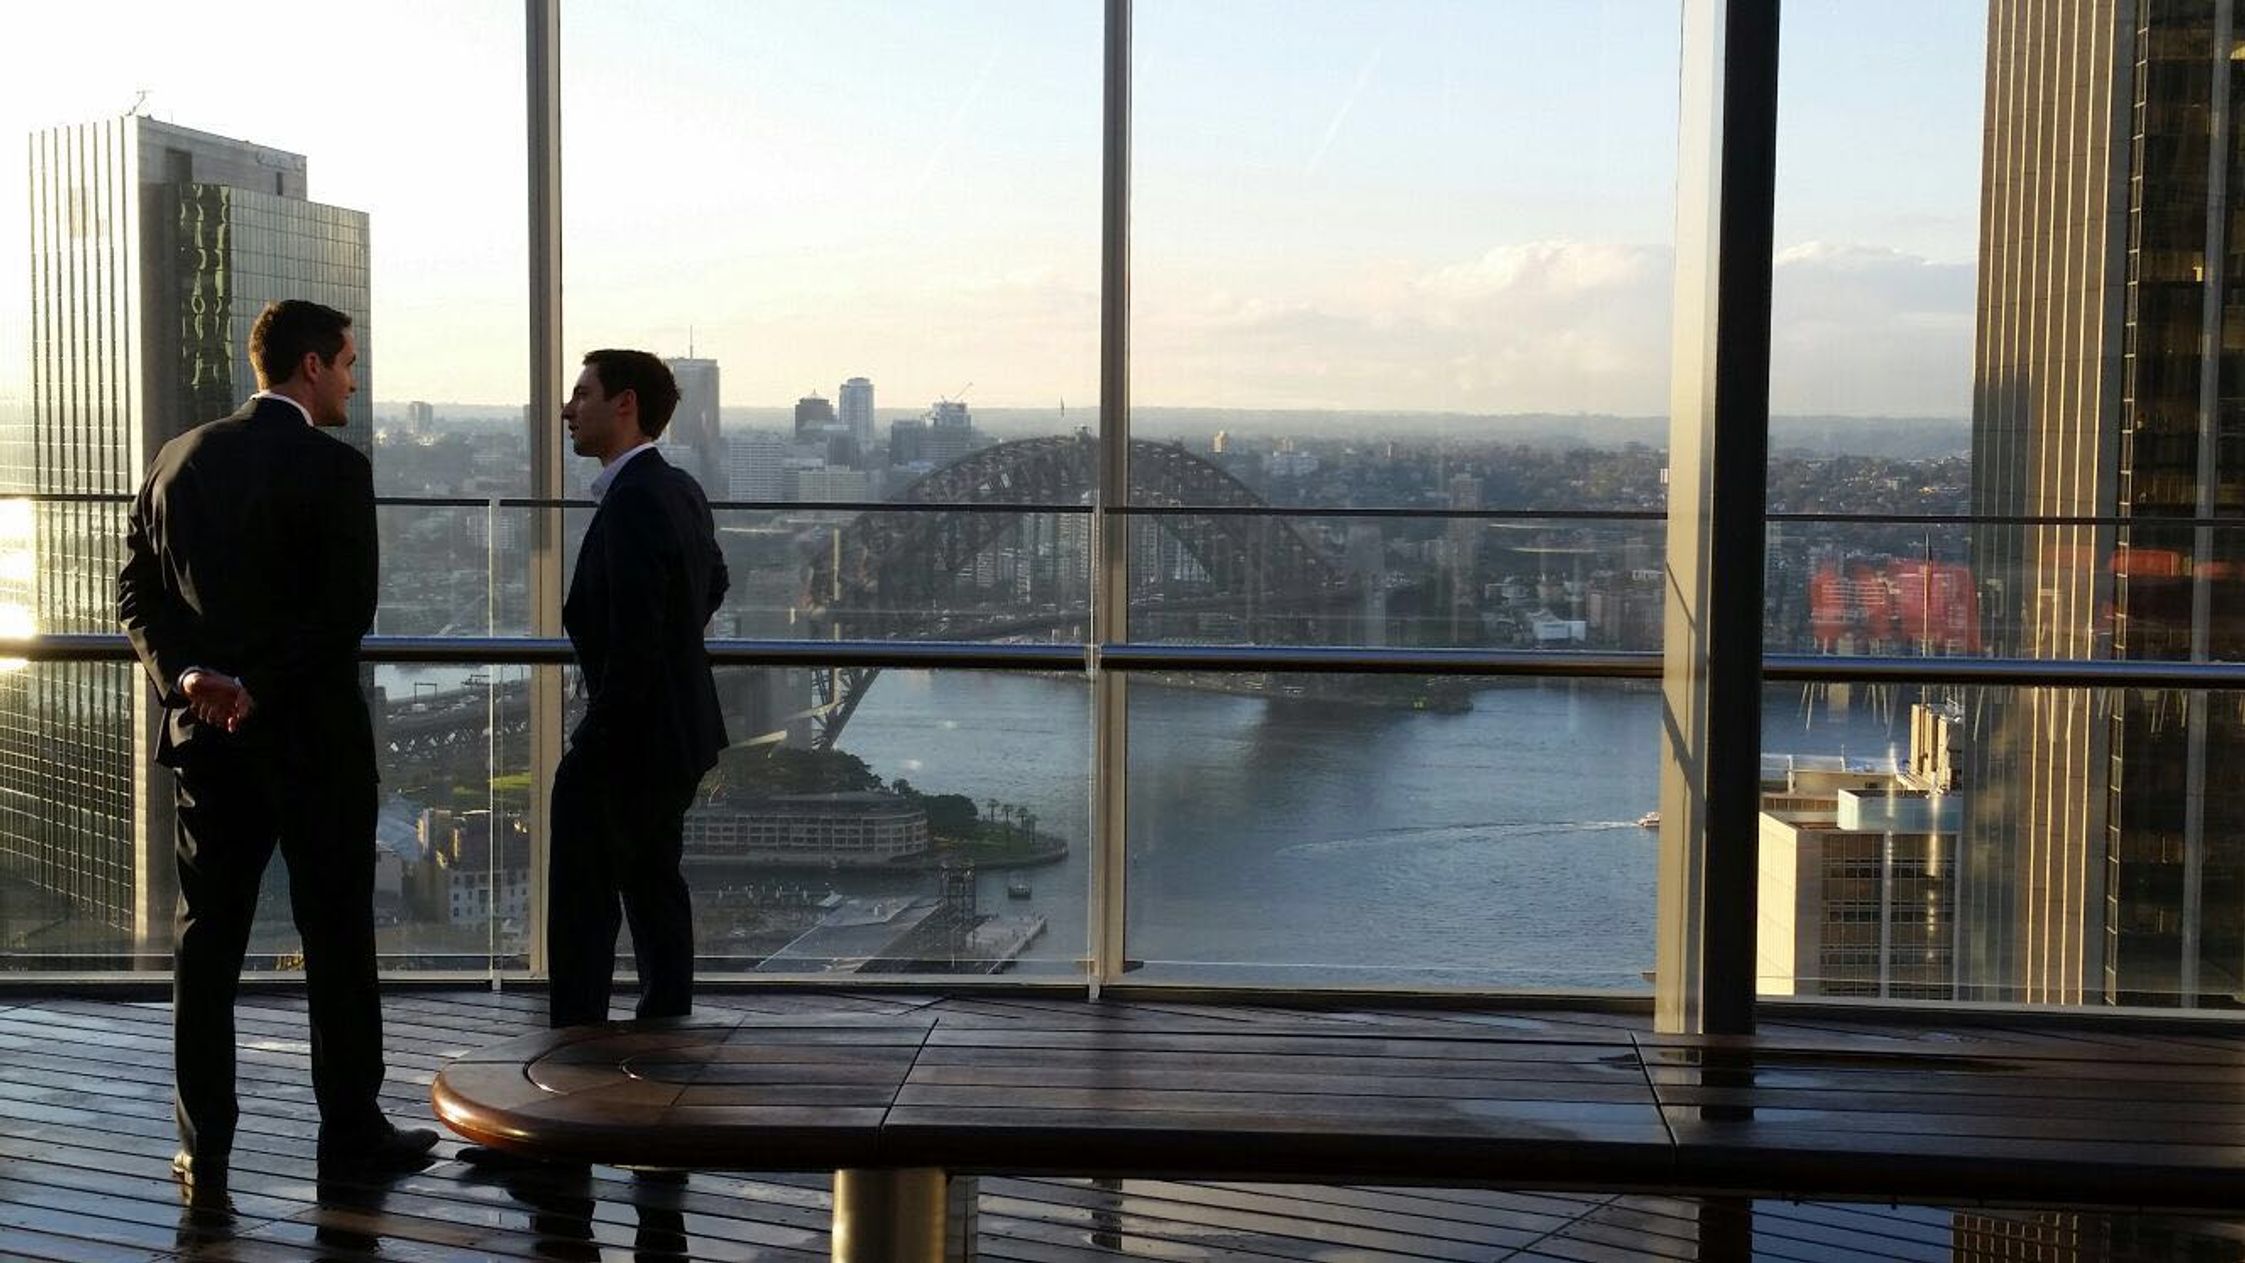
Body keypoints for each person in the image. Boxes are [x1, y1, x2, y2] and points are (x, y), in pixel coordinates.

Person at [118, 299, 437, 1188]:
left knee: (205, 943)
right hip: (312, 745)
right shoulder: (336, 471)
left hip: (207, 746)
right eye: (346, 362)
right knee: (336, 936)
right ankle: (350, 1133)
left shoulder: (177, 458)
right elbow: (344, 615)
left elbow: (136, 595)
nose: (353, 379)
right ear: (308, 366)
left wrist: (191, 679)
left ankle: (203, 1142)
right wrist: (258, 688)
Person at [548, 349, 728, 1028]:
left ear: (624, 404)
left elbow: (632, 642)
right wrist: (683, 637)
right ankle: (664, 1036)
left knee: (583, 911)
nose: (568, 409)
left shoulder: (633, 503)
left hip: (629, 743)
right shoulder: (678, 488)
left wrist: (590, 742)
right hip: (676, 735)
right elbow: (713, 580)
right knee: (654, 888)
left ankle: (573, 1057)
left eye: (582, 394)